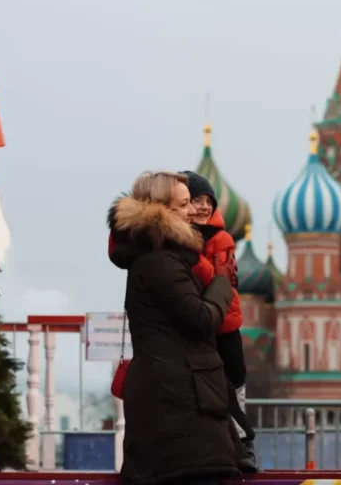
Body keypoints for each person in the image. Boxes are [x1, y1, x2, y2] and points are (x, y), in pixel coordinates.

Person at [107, 171, 241, 485]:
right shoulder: (161, 262)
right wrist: (222, 281)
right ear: (161, 211)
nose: (192, 210)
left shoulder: (162, 258)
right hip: (180, 416)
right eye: (183, 204)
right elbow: (201, 319)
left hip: (179, 411)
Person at [181, 170, 259, 471]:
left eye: (207, 201)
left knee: (234, 386)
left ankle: (245, 447)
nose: (202, 207)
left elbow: (220, 282)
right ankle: (230, 449)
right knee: (214, 390)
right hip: (198, 324)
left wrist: (190, 256)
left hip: (224, 324)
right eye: (195, 200)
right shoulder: (178, 237)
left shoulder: (220, 237)